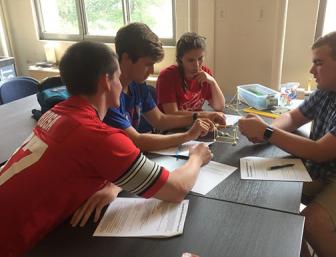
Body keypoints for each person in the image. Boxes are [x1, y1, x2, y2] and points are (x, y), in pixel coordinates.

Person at [0, 41, 212, 257]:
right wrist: (197, 157)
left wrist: (114, 184)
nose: (122, 84)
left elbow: (78, 165)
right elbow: (176, 189)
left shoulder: (55, 114)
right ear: (106, 81)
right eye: (118, 76)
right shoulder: (100, 137)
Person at [238, 30, 336, 257]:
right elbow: (294, 117)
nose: (312, 70)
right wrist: (269, 131)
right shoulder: (328, 88)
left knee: (313, 224)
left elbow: (319, 152)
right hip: (331, 167)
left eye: (318, 63)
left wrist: (265, 131)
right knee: (268, 195)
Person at [103, 23, 226, 152]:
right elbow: (137, 141)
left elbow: (160, 120)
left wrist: (200, 116)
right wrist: (188, 135)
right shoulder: (108, 96)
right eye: (148, 64)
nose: (151, 71)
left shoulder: (138, 85)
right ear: (126, 58)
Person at [156, 32, 225, 118]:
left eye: (200, 59)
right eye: (191, 60)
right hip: (173, 127)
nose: (196, 65)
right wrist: (205, 115)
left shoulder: (205, 73)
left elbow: (219, 107)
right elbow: (172, 113)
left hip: (195, 123)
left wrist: (213, 82)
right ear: (180, 58)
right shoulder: (167, 76)